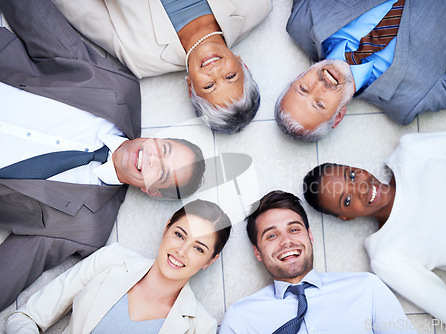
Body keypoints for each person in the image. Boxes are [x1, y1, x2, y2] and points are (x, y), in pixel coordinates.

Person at [0, 0, 205, 312]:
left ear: (151, 190)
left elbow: (14, 268)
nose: (151, 158)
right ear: (157, 139)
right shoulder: (118, 90)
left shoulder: (87, 227)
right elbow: (46, 30)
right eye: (163, 150)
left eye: (161, 172)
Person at [303, 129, 446, 334]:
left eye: (352, 175)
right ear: (347, 217)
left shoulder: (413, 151)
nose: (360, 187)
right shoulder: (387, 256)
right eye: (347, 200)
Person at [275, 0, 446, 141]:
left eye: (303, 89)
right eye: (320, 103)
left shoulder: (302, 21)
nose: (319, 86)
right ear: (339, 115)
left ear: (298, 78)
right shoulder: (408, 99)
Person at [6, 199, 232, 334]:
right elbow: (24, 318)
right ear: (166, 229)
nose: (181, 251)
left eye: (199, 248)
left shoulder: (200, 326)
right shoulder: (111, 259)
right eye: (179, 235)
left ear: (210, 260)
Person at [51, 0, 272, 134]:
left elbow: (77, 7)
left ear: (191, 88)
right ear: (243, 65)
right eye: (231, 76)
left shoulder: (139, 57)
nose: (215, 71)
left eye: (210, 86)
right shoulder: (257, 6)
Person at [219, 190, 416, 333]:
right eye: (271, 236)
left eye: (294, 229)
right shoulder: (240, 319)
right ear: (258, 252)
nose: (286, 241)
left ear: (310, 236)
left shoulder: (367, 288)